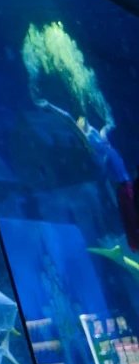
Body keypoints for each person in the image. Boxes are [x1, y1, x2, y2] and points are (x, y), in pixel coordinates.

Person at [37, 97, 139, 250]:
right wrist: (50, 106)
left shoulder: (102, 138)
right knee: (133, 220)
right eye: (82, 123)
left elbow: (108, 126)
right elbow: (68, 119)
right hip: (123, 188)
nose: (83, 121)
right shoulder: (89, 142)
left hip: (127, 185)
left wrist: (107, 113)